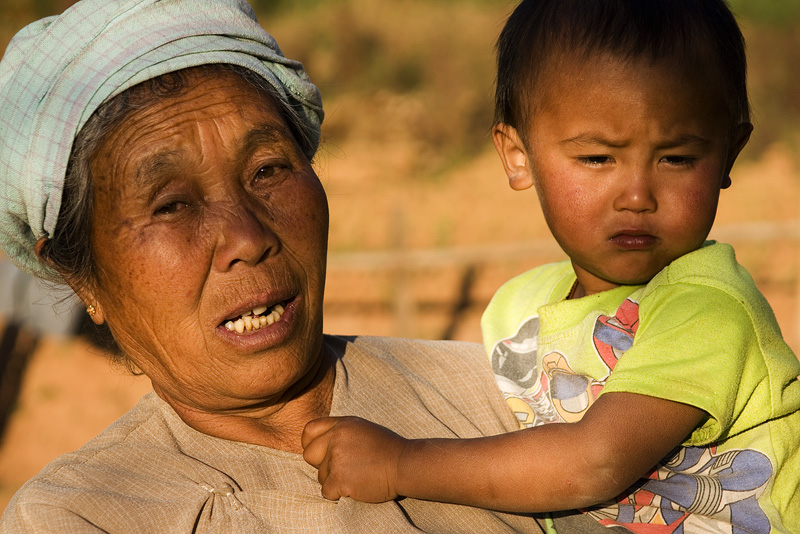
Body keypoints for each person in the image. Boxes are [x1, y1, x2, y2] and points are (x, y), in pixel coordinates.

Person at [0, 1, 612, 532]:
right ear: (83, 278)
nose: (247, 237)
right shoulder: (83, 516)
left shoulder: (515, 395)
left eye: (268, 170)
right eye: (171, 205)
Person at [300, 1, 800, 532]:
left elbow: (594, 462)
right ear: (518, 156)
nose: (637, 195)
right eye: (598, 158)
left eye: (675, 158)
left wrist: (401, 463)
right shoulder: (520, 308)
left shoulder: (707, 310)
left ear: (728, 154)